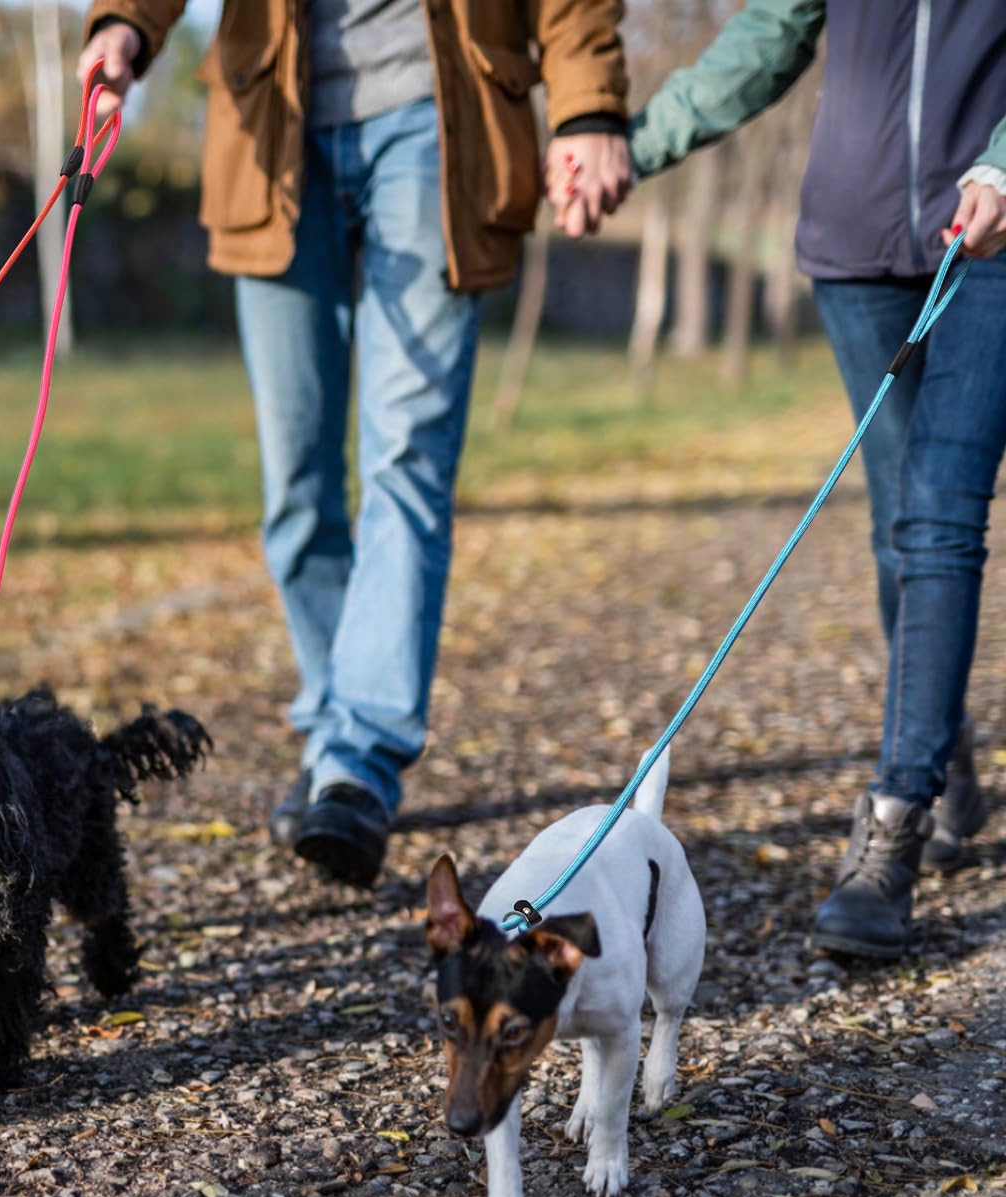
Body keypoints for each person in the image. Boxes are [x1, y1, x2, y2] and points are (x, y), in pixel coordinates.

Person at [79, 0, 633, 886]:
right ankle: (335, 727)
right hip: (275, 124)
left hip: (441, 119)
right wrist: (127, 24)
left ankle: (358, 760)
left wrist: (590, 106)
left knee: (406, 458)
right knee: (297, 486)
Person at [611, 0, 1006, 959]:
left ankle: (892, 829)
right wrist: (635, 145)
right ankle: (944, 750)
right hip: (857, 243)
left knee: (941, 520)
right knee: (898, 530)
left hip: (993, 240)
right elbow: (768, 35)